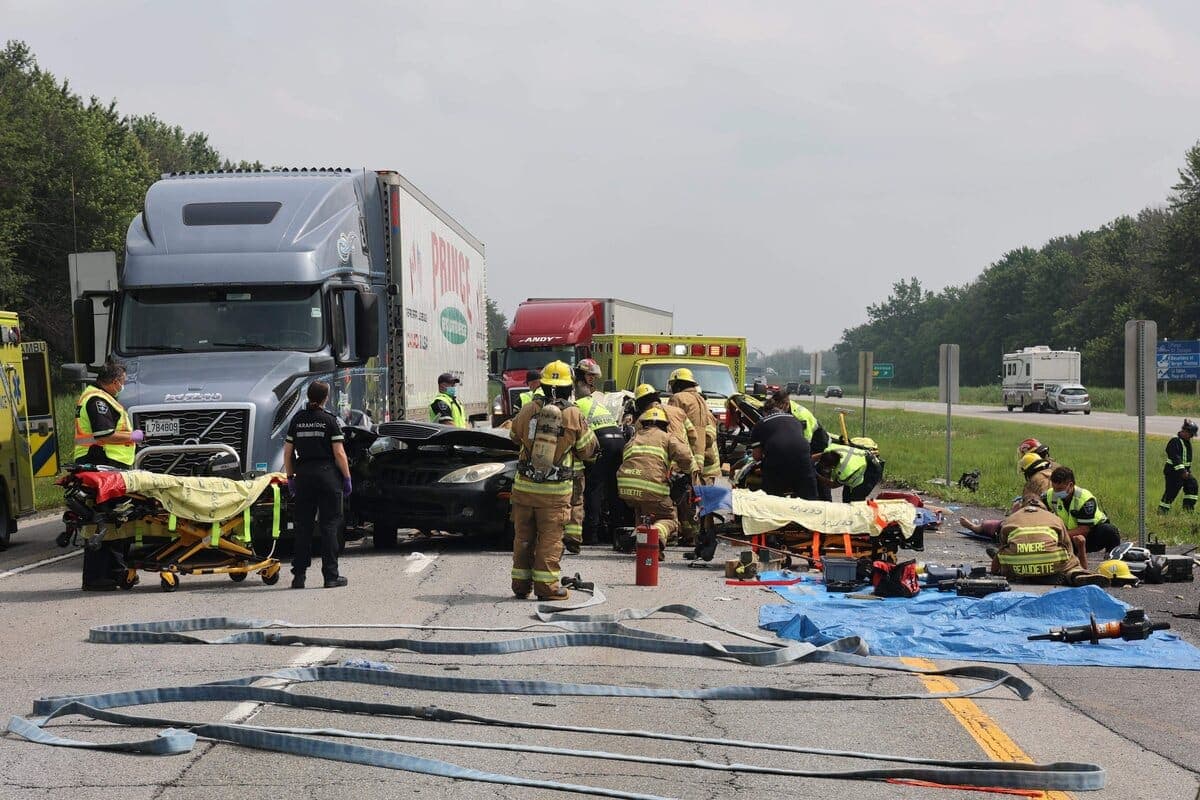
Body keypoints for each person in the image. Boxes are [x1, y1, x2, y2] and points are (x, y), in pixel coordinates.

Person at [509, 360, 597, 601]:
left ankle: (520, 584)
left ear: (544, 385)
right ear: (569, 386)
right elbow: (588, 449)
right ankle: (547, 587)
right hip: (554, 492)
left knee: (524, 537)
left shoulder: (528, 408)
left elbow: (514, 436)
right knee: (550, 539)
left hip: (524, 488)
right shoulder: (573, 413)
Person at [74, 361, 145, 591]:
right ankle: (106, 575)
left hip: (105, 465)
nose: (122, 385)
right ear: (114, 382)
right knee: (113, 519)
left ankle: (110, 574)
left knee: (111, 519)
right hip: (102, 464)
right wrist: (133, 437)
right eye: (122, 382)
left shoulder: (98, 397)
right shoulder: (97, 400)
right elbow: (103, 433)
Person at [284, 380, 351, 589]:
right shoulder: (329, 421)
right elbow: (339, 453)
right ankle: (331, 576)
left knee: (303, 526)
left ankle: (299, 576)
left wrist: (290, 477)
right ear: (325, 398)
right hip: (327, 476)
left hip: (303, 476)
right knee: (329, 526)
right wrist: (347, 477)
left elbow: (288, 452)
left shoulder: (297, 420)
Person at [617, 407, 698, 552]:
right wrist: (686, 472)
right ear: (663, 425)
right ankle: (657, 535)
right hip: (652, 487)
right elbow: (685, 456)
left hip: (627, 487)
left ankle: (644, 546)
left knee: (643, 516)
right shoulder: (666, 437)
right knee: (669, 519)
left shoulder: (634, 438)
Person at [988, 499, 1107, 587]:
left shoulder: (1010, 520)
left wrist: (994, 573)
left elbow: (1002, 548)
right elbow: (1067, 547)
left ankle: (1025, 575)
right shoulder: (1054, 518)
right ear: (1044, 508)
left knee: (1004, 557)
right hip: (1051, 564)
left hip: (1018, 568)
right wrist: (1080, 552)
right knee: (1069, 562)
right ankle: (1075, 575)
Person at [1044, 466, 1121, 570]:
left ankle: (1112, 564)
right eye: (1054, 488)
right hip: (1070, 535)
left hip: (1091, 535)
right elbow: (1038, 505)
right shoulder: (1050, 495)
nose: (1056, 493)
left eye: (1060, 489)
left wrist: (1057, 536)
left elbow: (1084, 529)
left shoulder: (1085, 499)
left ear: (1070, 485)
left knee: (1110, 531)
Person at [575, 389, 625, 546]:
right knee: (613, 488)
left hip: (602, 441)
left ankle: (591, 534)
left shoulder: (576, 405)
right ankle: (616, 532)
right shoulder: (598, 404)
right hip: (619, 440)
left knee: (594, 488)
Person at [749, 391, 817, 499]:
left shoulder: (760, 424)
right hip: (803, 458)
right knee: (808, 495)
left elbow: (757, 456)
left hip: (778, 459)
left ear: (765, 412)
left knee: (773, 495)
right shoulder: (795, 420)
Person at [816, 442, 882, 502]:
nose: (824, 469)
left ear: (832, 467)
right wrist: (808, 461)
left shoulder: (844, 472)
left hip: (871, 470)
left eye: (825, 467)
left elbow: (833, 485)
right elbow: (818, 456)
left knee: (855, 498)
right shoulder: (831, 451)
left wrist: (816, 474)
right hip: (860, 462)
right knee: (846, 497)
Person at [1159, 419, 1198, 514]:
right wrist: (1182, 471)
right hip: (1173, 472)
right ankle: (1162, 512)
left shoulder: (1186, 441)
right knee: (1171, 493)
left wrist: (1186, 471)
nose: (1191, 437)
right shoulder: (1175, 441)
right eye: (1191, 434)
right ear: (1185, 431)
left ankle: (1188, 510)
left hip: (1185, 472)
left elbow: (1186, 459)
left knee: (1192, 485)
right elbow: (1175, 457)